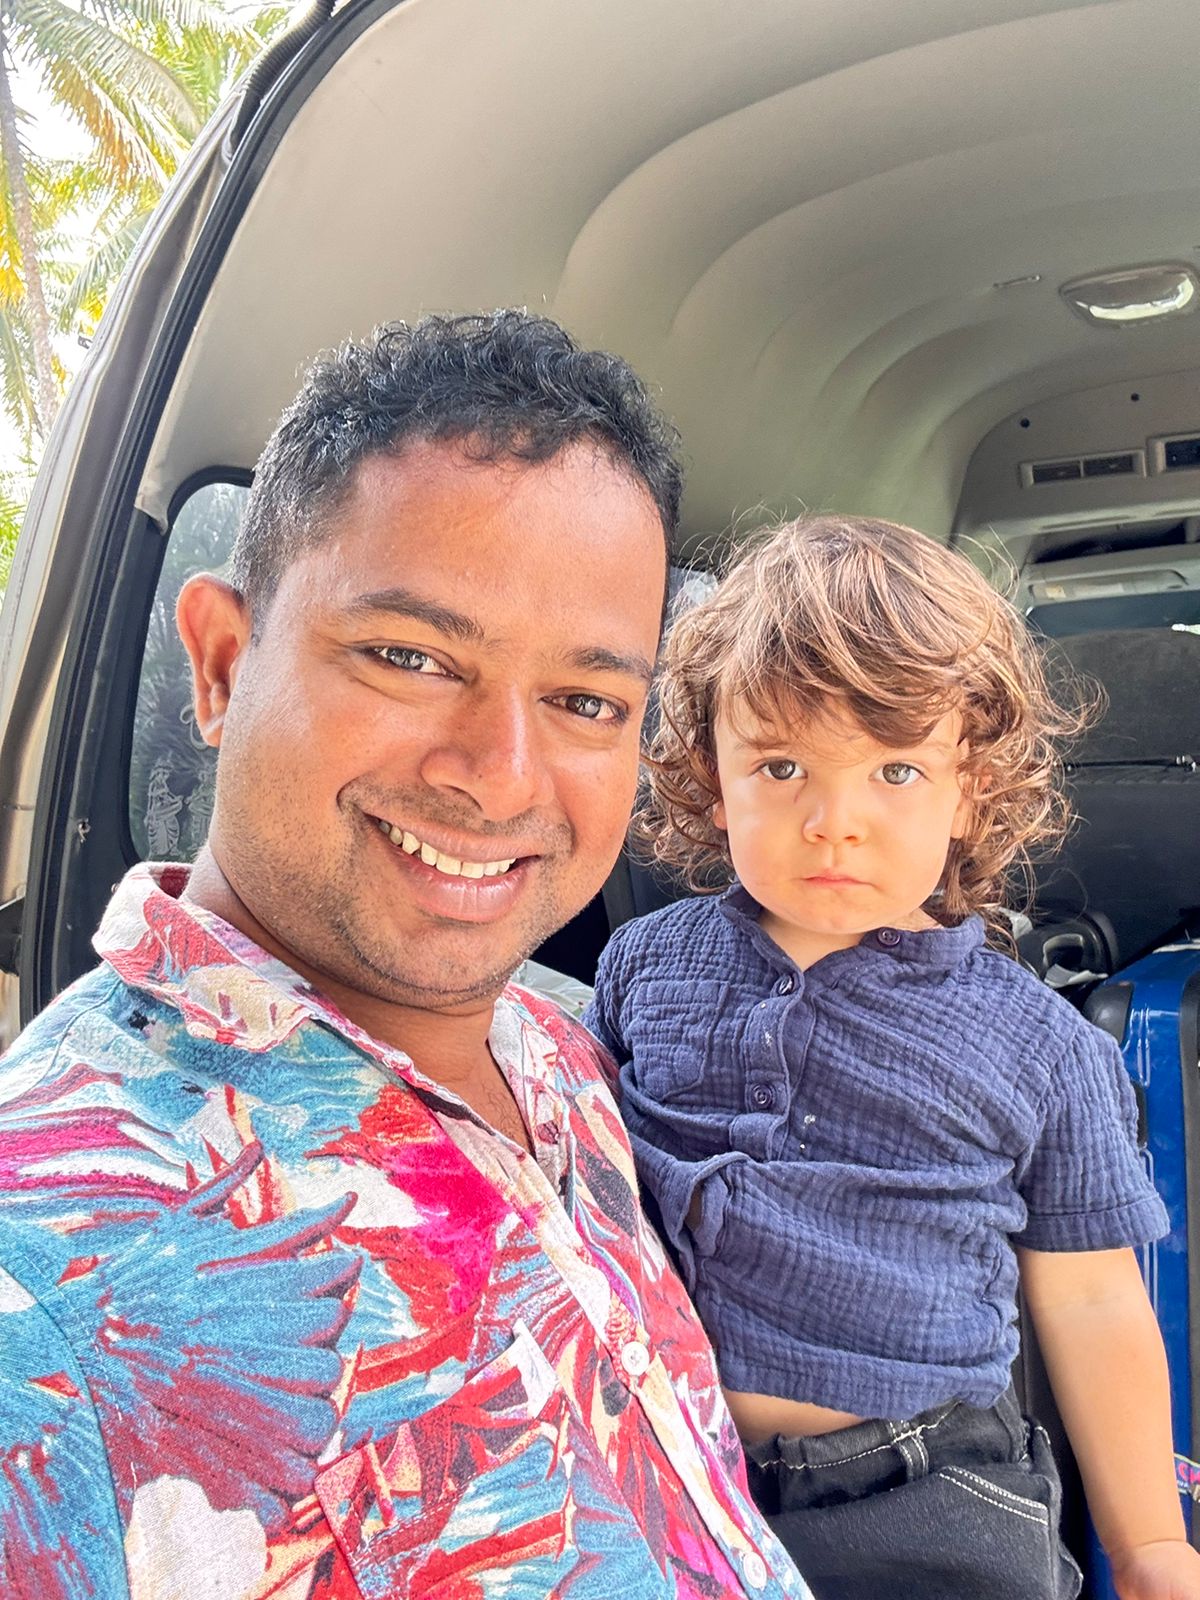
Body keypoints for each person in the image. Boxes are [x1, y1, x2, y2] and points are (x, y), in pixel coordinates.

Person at [0, 312, 810, 1600]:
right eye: (411, 657)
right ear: (221, 664)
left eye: (586, 700)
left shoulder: (567, 1042)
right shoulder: (40, 1282)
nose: (502, 775)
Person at [585, 514, 1200, 1600]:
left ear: (971, 792)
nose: (835, 821)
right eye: (782, 766)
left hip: (928, 1490)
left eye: (897, 771)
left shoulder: (1042, 1046)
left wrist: (1150, 1543)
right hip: (663, 1467)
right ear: (714, 779)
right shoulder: (642, 965)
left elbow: (1094, 1300)